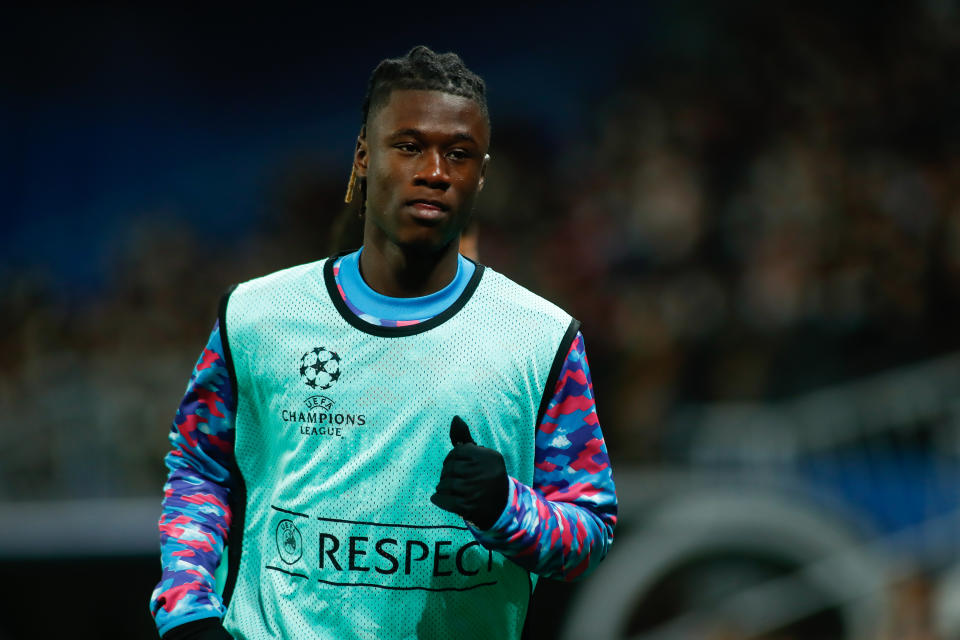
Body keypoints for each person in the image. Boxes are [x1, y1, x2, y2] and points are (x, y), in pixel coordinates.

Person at [149, 46, 617, 640]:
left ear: (482, 174)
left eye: (459, 153)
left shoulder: (540, 337)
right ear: (364, 157)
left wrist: (506, 506)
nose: (435, 171)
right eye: (409, 146)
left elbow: (590, 532)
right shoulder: (258, 316)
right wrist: (188, 609)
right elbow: (199, 467)